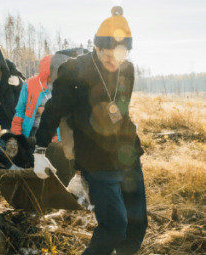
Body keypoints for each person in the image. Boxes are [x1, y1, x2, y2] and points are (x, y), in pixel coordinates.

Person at [34, 6, 147, 255]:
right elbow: (54, 110)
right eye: (109, 56)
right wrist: (40, 149)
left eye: (121, 55)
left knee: (137, 223)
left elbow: (122, 109)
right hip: (96, 159)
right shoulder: (74, 70)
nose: (115, 62)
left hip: (127, 153)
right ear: (96, 47)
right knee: (115, 226)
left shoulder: (127, 69)